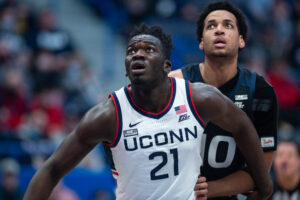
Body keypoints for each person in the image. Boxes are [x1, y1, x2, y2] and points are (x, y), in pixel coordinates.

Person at [24, 23, 272, 200]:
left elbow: (243, 127)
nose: (138, 54)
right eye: (131, 51)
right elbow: (52, 168)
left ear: (166, 66)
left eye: (148, 50)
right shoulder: (108, 115)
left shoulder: (199, 98)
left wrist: (264, 184)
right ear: (126, 68)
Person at [169, 1, 278, 199]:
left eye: (228, 25)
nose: (219, 30)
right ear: (201, 41)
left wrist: (207, 190)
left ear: (241, 41)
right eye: (211, 25)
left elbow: (261, 174)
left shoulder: (261, 92)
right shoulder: (173, 84)